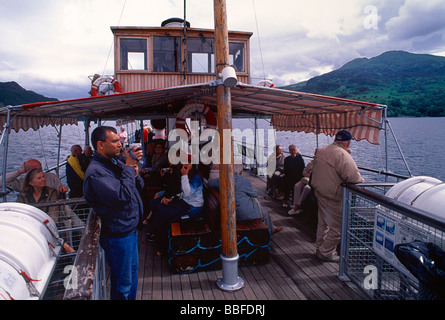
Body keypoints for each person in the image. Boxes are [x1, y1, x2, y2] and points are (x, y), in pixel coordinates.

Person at [83, 126, 144, 300]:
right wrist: (128, 167)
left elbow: (139, 187)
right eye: (115, 141)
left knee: (131, 278)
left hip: (128, 229)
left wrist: (134, 171)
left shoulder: (113, 163)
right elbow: (122, 196)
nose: (120, 144)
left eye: (120, 140)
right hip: (118, 235)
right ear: (101, 145)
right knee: (122, 284)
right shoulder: (97, 173)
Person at [310, 130, 365, 262]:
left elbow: (309, 168)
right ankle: (325, 252)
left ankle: (319, 248)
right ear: (348, 143)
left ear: (336, 139)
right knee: (338, 228)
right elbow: (353, 178)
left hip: (320, 192)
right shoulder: (342, 155)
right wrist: (362, 182)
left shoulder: (322, 150)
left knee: (323, 224)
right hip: (333, 196)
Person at [16, 169, 83, 253]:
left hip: (48, 226)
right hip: (31, 227)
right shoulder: (23, 196)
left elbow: (53, 214)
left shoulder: (51, 192)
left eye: (43, 176)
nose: (43, 179)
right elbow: (20, 214)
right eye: (39, 178)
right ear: (31, 183)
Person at [145, 162, 204, 253]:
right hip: (184, 203)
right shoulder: (184, 174)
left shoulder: (196, 177)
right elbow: (182, 192)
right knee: (161, 206)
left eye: (189, 162)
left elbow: (188, 193)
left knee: (168, 215)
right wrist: (172, 199)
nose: (186, 164)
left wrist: (184, 176)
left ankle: (161, 245)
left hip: (193, 208)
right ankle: (154, 234)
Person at [208, 164, 282, 234]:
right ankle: (270, 231)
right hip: (240, 215)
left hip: (228, 212)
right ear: (241, 172)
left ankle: (271, 227)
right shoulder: (245, 181)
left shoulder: (223, 179)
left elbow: (209, 183)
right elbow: (254, 195)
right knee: (265, 213)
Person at [0, 158, 68, 196]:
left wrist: (62, 190)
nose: (40, 172)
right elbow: (1, 181)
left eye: (40, 169)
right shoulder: (22, 183)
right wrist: (20, 171)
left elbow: (60, 191)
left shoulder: (52, 177)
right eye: (37, 170)